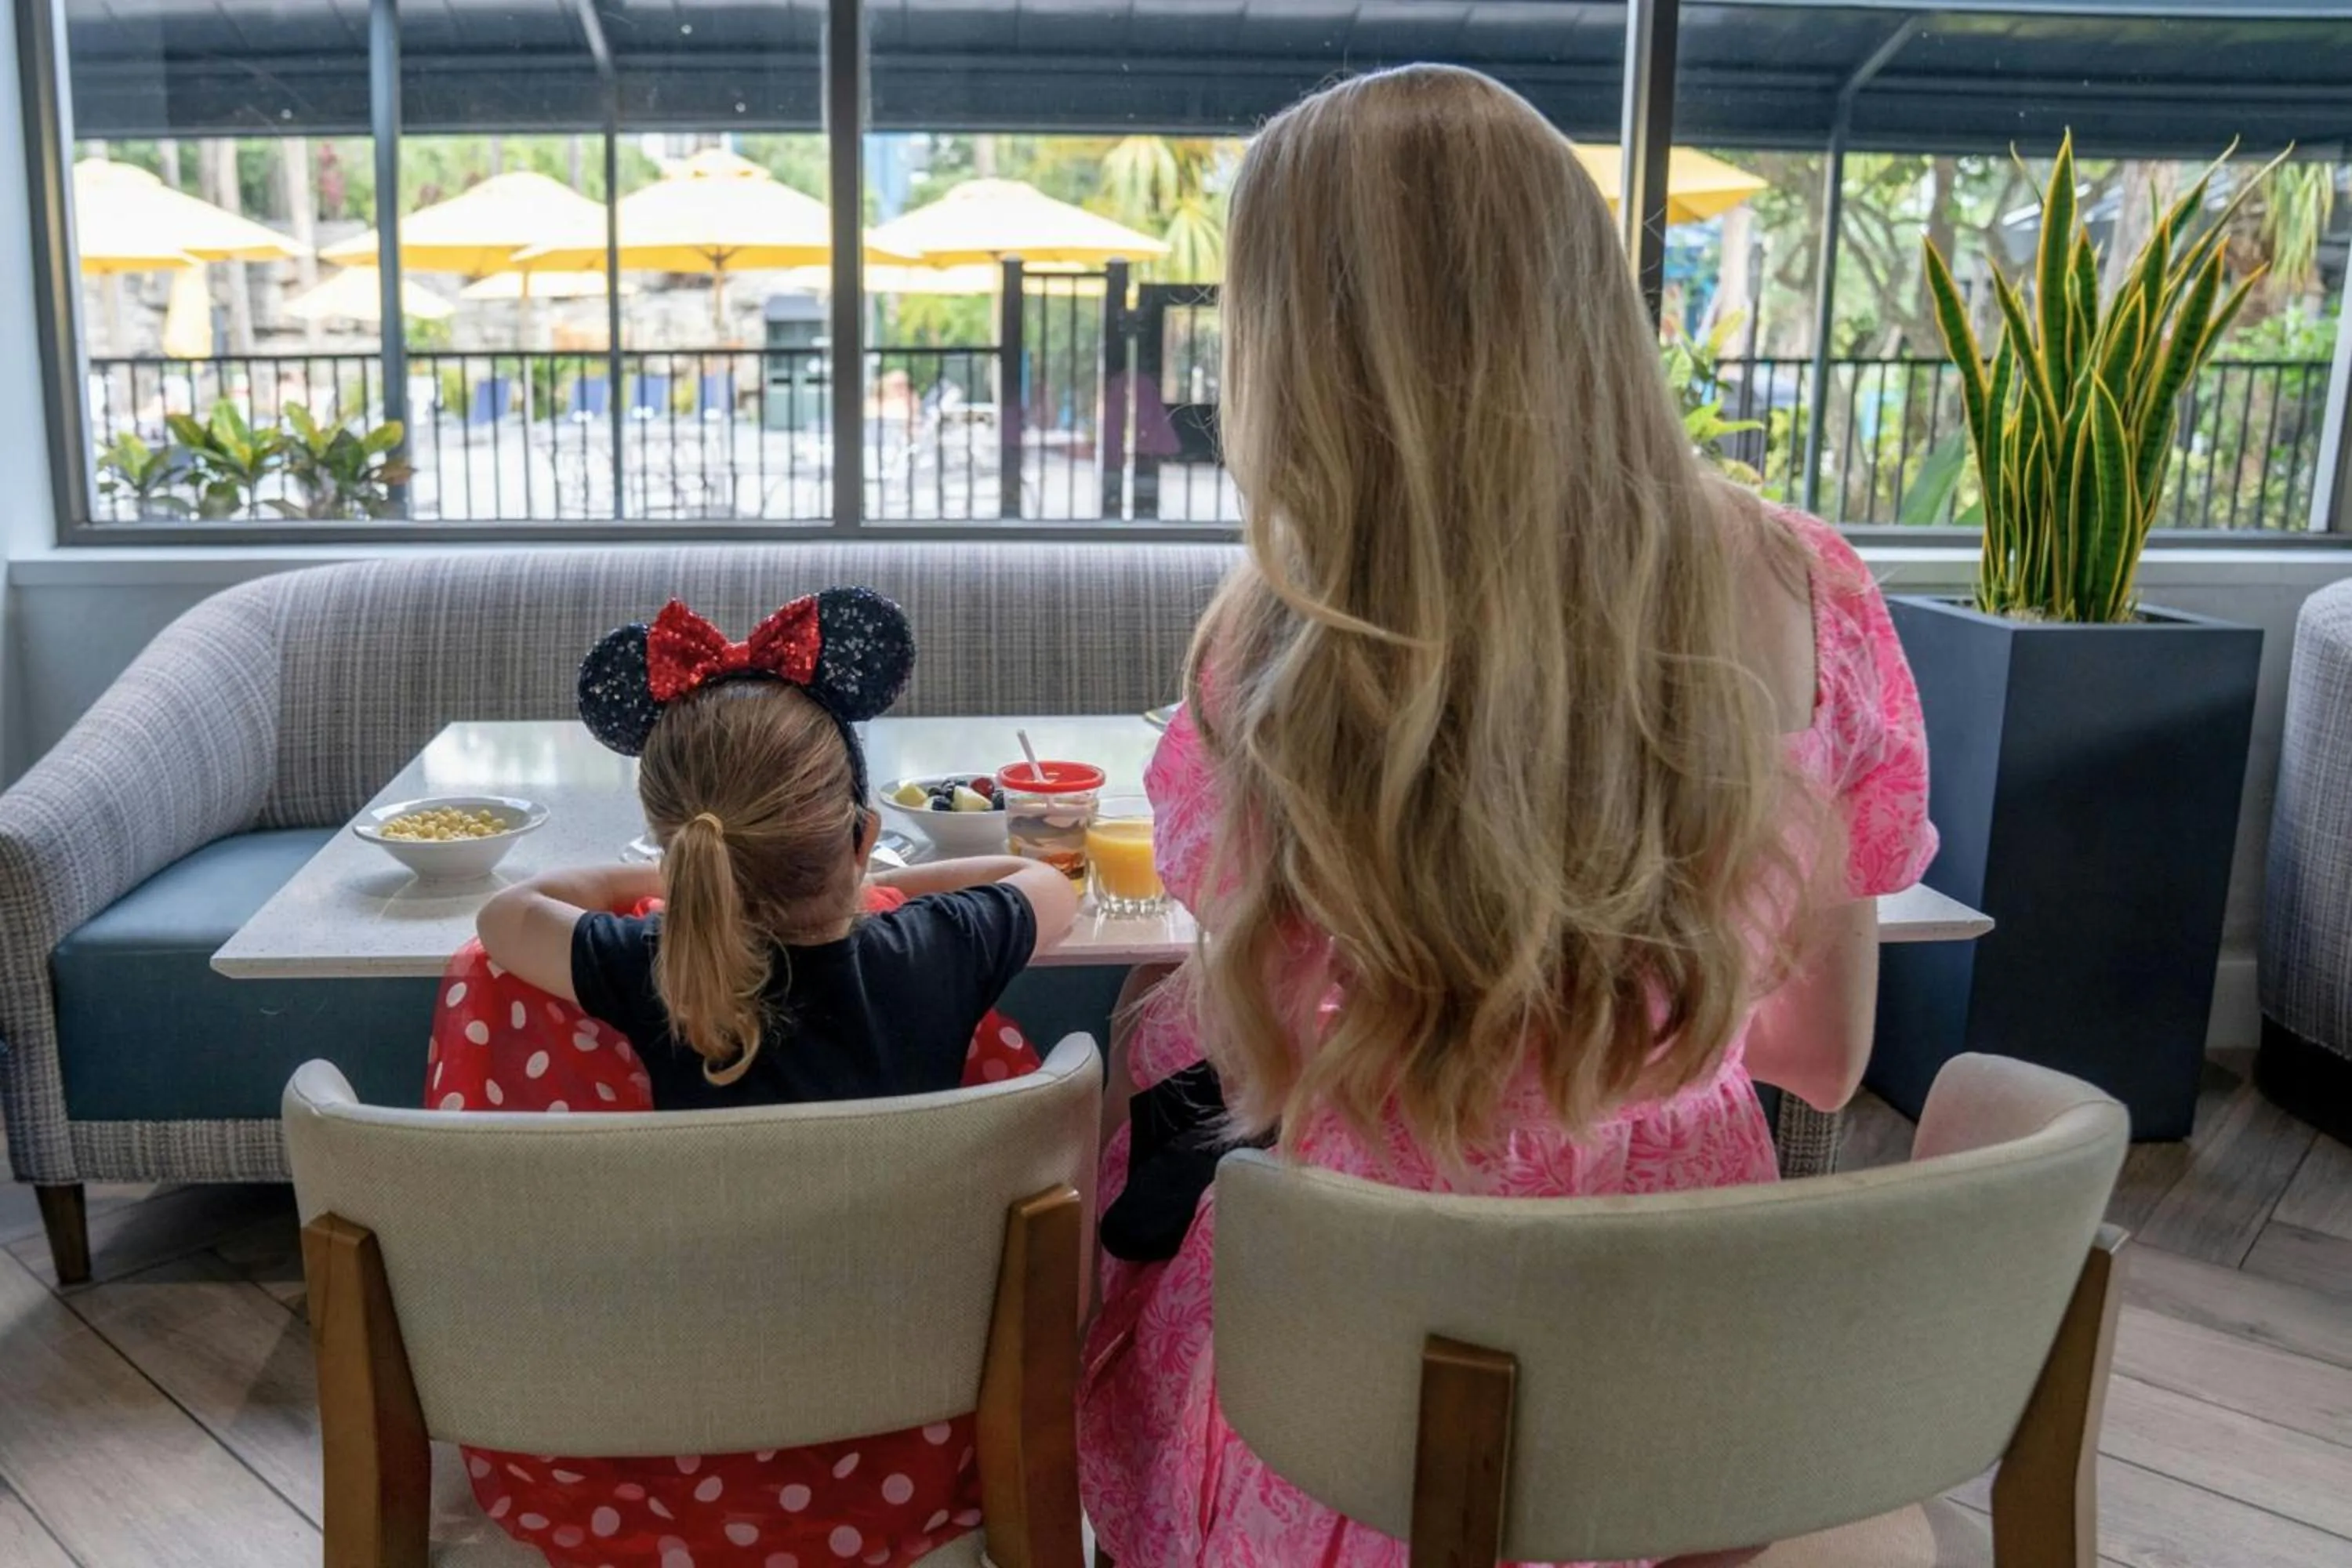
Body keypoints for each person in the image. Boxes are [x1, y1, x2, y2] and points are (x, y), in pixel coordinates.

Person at [1077, 66, 1936, 1568]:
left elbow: (1258, 1061)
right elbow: (1823, 1054)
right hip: (1676, 1374)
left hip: (1354, 1385)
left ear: (1304, 351)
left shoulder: (1276, 649)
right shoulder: (1814, 590)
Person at [432, 587, 1077, 1568]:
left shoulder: (641, 965)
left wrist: (644, 885)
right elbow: (1043, 881)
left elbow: (506, 916)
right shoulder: (931, 949)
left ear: (679, 851)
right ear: (859, 836)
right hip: (906, 1423)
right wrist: (888, 886)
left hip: (674, 1419)